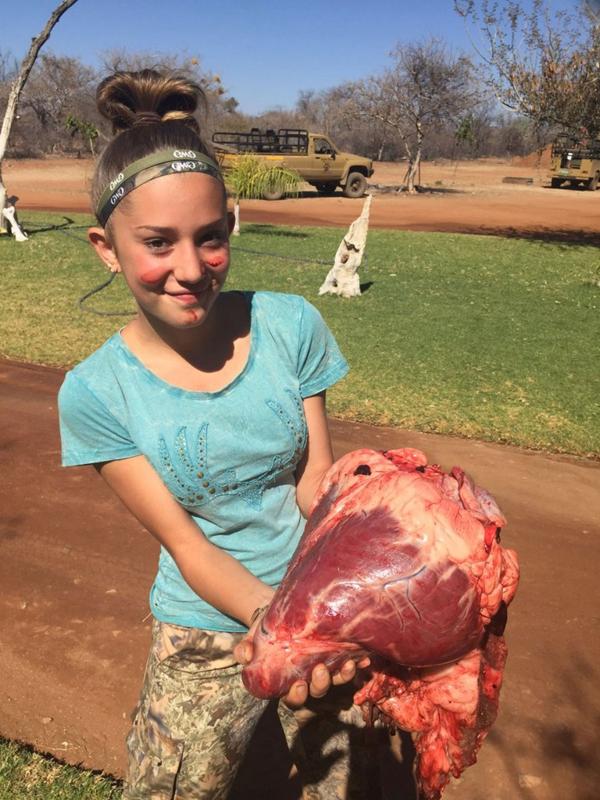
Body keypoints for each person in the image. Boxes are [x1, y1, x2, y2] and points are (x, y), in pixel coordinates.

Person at [58, 69, 370, 799]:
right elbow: (189, 545)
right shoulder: (95, 393)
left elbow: (312, 484)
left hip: (316, 610)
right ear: (106, 247)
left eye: (210, 238)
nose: (191, 270)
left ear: (230, 226)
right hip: (201, 631)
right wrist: (276, 624)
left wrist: (376, 516)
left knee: (354, 783)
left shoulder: (291, 325)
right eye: (157, 243)